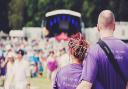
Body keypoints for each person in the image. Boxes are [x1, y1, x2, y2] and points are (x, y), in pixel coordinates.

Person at [77, 10, 128, 89]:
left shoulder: (93, 51)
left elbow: (86, 85)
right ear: (114, 26)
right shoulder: (126, 48)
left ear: (98, 27)